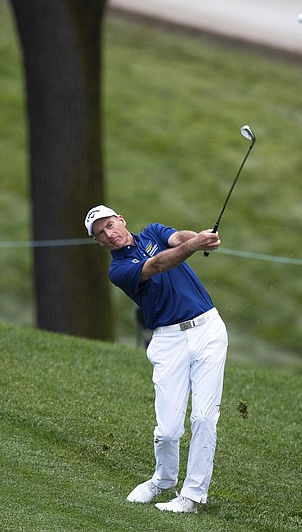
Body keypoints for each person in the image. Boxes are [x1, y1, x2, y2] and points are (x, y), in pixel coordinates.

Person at [84, 204, 228, 514]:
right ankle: (163, 481)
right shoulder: (118, 270)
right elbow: (158, 264)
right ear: (99, 242)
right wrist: (195, 244)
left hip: (208, 330)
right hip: (168, 340)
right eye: (101, 233)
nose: (109, 234)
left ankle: (191, 497)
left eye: (110, 224)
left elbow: (177, 239)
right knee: (167, 430)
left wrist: (201, 237)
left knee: (204, 417)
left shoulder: (152, 232)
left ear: (122, 220)